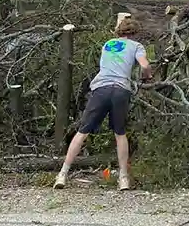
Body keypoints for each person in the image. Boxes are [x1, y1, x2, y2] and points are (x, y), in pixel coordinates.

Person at [53, 13, 152, 191]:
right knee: (120, 133)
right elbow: (144, 65)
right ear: (135, 33)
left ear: (119, 31)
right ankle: (123, 179)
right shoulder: (137, 46)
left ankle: (62, 174)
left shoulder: (108, 44)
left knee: (82, 132)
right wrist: (147, 75)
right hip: (121, 90)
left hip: (101, 88)